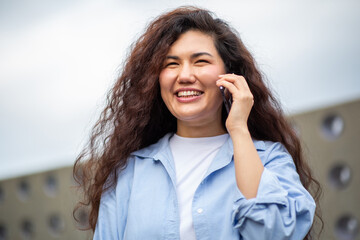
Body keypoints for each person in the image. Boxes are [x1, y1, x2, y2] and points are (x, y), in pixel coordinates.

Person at [73, 6, 322, 240]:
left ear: (230, 75)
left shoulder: (269, 160)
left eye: (201, 61)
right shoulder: (129, 172)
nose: (184, 76)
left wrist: (238, 129)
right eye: (171, 64)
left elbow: (276, 233)